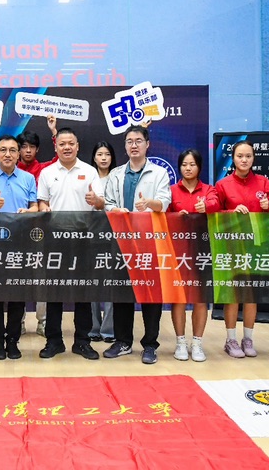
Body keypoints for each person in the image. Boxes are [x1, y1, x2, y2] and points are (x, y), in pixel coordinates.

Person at [103, 125, 172, 364]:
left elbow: (164, 203)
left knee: (151, 294)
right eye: (129, 141)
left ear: (147, 144)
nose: (134, 145)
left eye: (138, 141)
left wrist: (149, 203)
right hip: (122, 241)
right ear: (125, 146)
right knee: (122, 292)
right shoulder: (116, 174)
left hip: (149, 242)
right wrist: (115, 210)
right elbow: (107, 202)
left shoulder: (159, 173)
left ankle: (150, 344)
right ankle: (122, 341)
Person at [37, 127, 102, 360]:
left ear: (77, 146)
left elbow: (101, 203)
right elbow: (42, 202)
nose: (67, 147)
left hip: (83, 238)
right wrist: (44, 209)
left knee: (83, 292)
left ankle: (82, 341)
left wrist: (96, 200)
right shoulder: (47, 173)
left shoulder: (89, 171)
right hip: (55, 238)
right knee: (54, 291)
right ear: (56, 147)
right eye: (62, 144)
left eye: (71, 143)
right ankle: (54, 341)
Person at [215, 140, 269, 358]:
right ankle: (231, 340)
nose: (244, 160)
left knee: (251, 294)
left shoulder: (263, 182)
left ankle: (248, 339)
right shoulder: (223, 184)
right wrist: (230, 212)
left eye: (248, 156)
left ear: (253, 158)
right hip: (232, 246)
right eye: (240, 156)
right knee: (233, 294)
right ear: (233, 158)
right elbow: (214, 213)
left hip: (257, 246)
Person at [0, 135, 38, 360]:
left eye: (13, 150)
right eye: (3, 150)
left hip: (20, 243)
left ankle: (13, 340)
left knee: (17, 295)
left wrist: (28, 212)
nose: (8, 154)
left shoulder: (28, 178)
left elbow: (35, 207)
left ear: (18, 154)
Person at [168, 149, 219, 362]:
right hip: (178, 252)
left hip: (202, 252)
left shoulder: (208, 189)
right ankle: (180, 342)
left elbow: (216, 204)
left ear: (199, 167)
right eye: (184, 164)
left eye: (192, 164)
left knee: (200, 298)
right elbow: (163, 216)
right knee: (178, 297)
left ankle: (197, 342)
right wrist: (175, 216)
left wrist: (206, 206)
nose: (188, 168)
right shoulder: (171, 190)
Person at [16, 115, 58, 338]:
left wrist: (54, 132)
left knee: (42, 279)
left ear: (37, 149)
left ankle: (43, 322)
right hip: (15, 233)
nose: (28, 151)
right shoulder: (10, 170)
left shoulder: (45, 169)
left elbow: (60, 156)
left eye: (32, 147)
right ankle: (19, 321)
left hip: (41, 232)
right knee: (18, 279)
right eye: (24, 147)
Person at [89, 141, 116, 344]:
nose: (104, 158)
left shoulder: (117, 177)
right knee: (91, 284)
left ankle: (108, 329)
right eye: (100, 154)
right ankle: (93, 327)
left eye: (107, 154)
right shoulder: (88, 176)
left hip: (113, 235)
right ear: (94, 157)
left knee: (109, 284)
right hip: (90, 235)